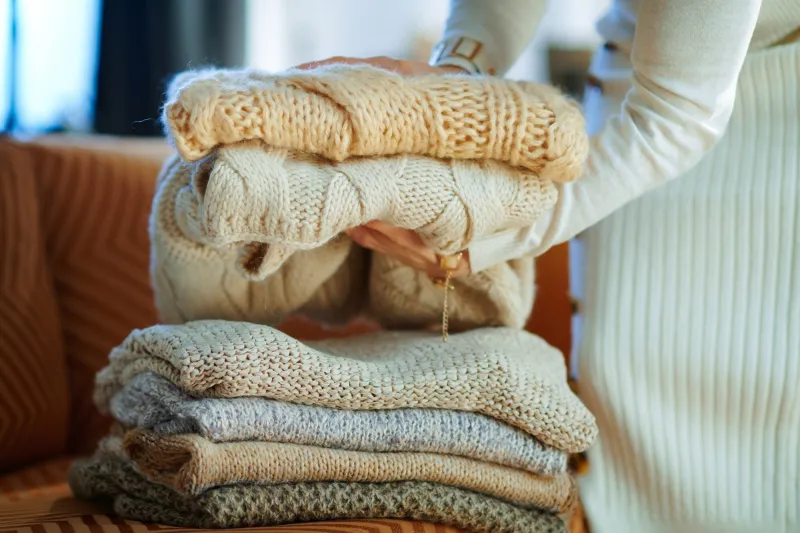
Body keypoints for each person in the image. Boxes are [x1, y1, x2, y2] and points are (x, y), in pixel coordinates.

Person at [297, 1, 800, 532]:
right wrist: (458, 72)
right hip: (628, 102)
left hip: (752, 126)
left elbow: (678, 113)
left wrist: (493, 236)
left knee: (754, 403)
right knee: (617, 379)